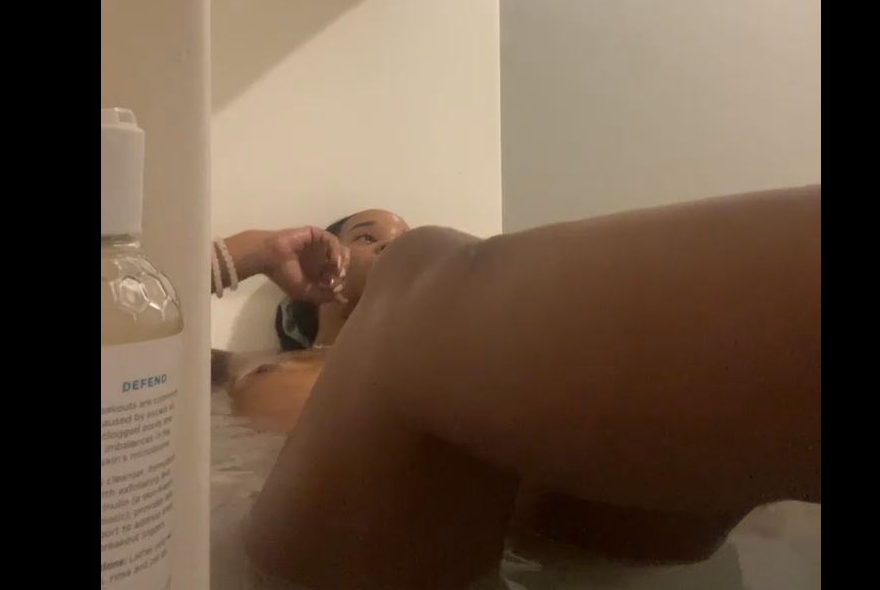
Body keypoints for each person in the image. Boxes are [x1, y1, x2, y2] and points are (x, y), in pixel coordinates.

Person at [239, 185, 820, 590]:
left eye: (395, 236)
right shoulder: (252, 363)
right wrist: (249, 253)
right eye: (368, 237)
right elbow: (178, 342)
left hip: (544, 527)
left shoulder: (459, 361)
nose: (389, 244)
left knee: (649, 520)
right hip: (328, 551)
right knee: (426, 256)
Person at [210, 209, 409, 353]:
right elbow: (183, 288)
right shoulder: (257, 370)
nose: (392, 246)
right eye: (367, 238)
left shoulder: (422, 375)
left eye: (406, 243)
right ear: (324, 261)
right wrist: (266, 250)